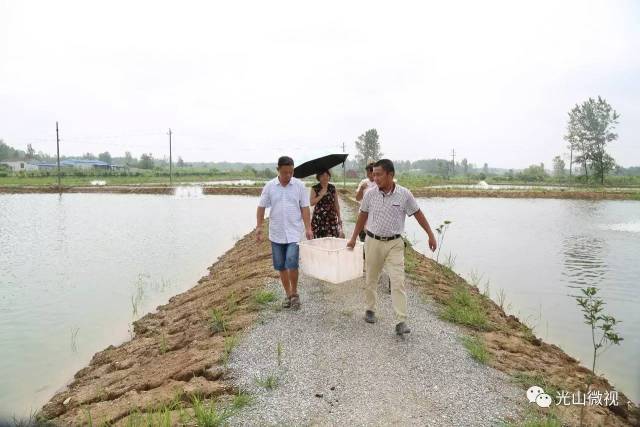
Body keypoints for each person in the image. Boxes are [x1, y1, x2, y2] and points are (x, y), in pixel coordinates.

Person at [347, 159, 437, 336]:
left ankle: (401, 321)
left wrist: (430, 234)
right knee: (371, 278)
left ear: (390, 174)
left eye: (379, 174)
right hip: (372, 241)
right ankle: (370, 309)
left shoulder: (404, 194)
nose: (375, 177)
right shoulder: (370, 194)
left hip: (395, 243)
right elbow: (362, 216)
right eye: (373, 174)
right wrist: (352, 238)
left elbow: (418, 214)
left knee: (398, 280)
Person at [256, 156, 313, 310]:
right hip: (276, 233)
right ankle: (288, 294)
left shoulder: (300, 186)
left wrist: (308, 228)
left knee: (292, 261)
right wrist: (259, 227)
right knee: (281, 266)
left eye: (291, 172)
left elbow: (305, 208)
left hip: (294, 232)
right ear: (278, 170)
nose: (288, 175)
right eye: (285, 172)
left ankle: (295, 294)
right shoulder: (269, 186)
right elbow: (261, 207)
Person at [310, 169, 344, 239]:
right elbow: (312, 203)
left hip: (331, 217)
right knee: (319, 239)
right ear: (318, 177)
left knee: (332, 239)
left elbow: (336, 203)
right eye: (322, 175)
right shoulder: (315, 188)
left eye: (327, 175)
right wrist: (321, 195)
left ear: (329, 176)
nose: (325, 177)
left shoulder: (332, 188)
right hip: (319, 218)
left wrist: (339, 217)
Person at [355, 162, 377, 242]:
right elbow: (357, 198)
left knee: (372, 238)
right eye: (367, 172)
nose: (368, 175)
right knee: (363, 238)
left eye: (369, 173)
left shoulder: (379, 183)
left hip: (375, 215)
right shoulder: (363, 182)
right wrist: (361, 189)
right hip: (363, 213)